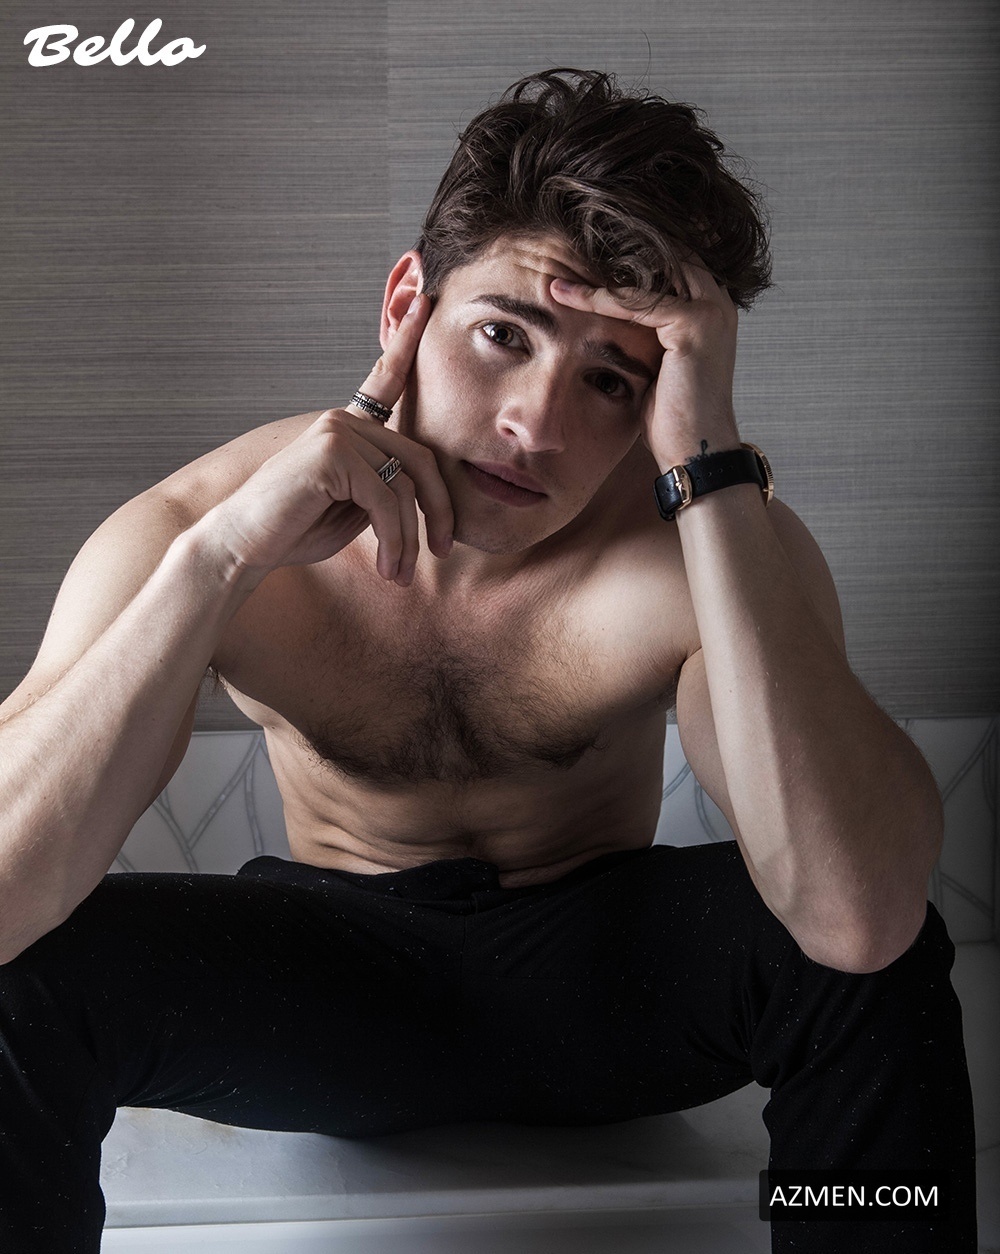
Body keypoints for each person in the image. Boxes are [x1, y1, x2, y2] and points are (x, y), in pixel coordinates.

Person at [0, 69, 976, 1251]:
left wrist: (710, 462)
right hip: (327, 991)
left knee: (874, 959)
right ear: (406, 303)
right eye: (503, 334)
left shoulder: (705, 544)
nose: (534, 425)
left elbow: (854, 917)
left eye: (610, 380)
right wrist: (218, 564)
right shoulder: (202, 524)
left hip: (605, 989)